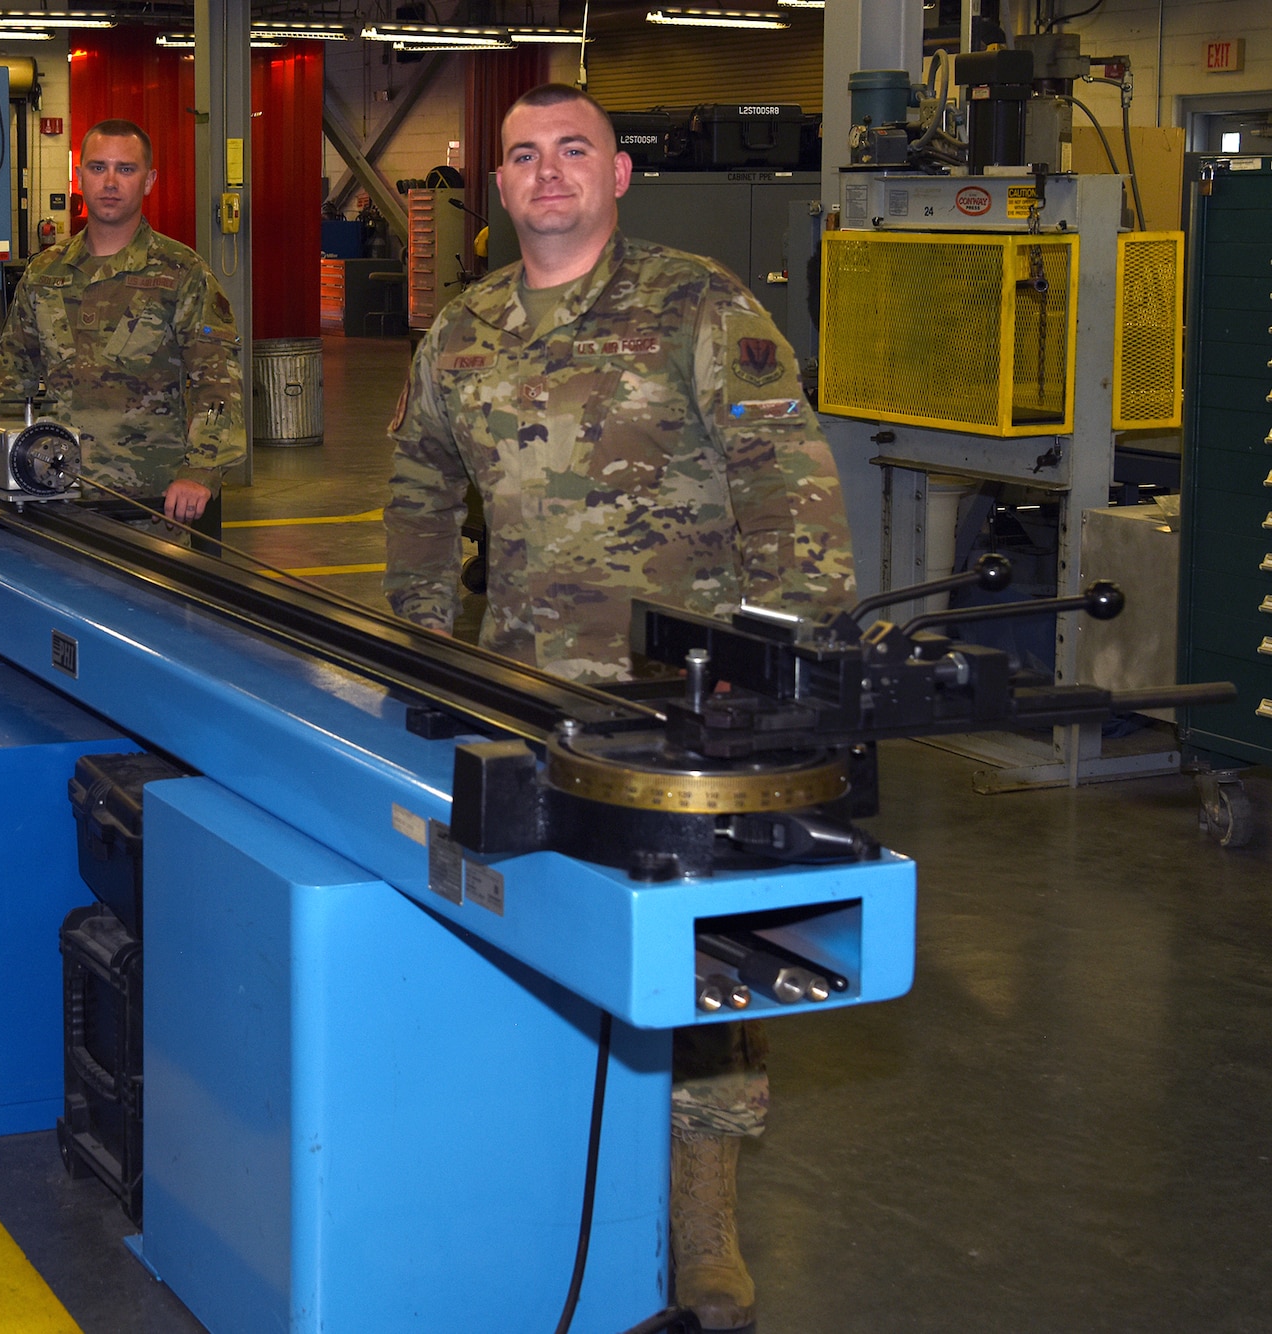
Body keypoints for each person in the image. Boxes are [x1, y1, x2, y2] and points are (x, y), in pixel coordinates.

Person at [382, 84, 856, 1331]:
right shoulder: (465, 328)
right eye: (523, 155)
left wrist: (793, 671)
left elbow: (784, 479)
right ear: (494, 184)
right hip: (524, 681)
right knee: (533, 923)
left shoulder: (695, 306)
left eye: (572, 151)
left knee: (704, 958)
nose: (547, 174)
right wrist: (421, 633)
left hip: (680, 704)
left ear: (618, 174)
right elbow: (419, 476)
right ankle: (546, 1163)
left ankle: (702, 1221)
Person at [0, 118, 244, 530]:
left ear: (149, 180)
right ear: (79, 176)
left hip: (149, 502)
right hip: (54, 493)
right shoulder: (45, 273)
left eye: (126, 169)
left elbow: (218, 381)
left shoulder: (180, 273)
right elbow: (12, 378)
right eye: (97, 167)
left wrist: (202, 470)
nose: (110, 181)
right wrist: (3, 464)